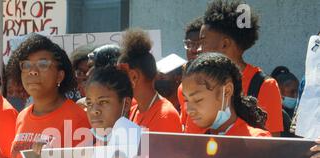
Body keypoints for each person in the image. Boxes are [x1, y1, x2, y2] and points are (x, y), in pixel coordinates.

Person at [186, 0, 283, 136]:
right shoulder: (193, 84)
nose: (198, 49)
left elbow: (270, 148)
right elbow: (191, 140)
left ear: (225, 44)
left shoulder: (264, 85)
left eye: (203, 42)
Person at [182, 52, 269, 137]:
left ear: (227, 91)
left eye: (198, 100)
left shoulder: (256, 140)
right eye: (186, 100)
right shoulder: (195, 139)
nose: (189, 110)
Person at [118, 29, 182, 133]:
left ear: (134, 77)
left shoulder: (166, 115)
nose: (118, 81)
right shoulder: (133, 111)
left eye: (121, 74)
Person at [85, 66, 134, 145]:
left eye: (103, 102)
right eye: (89, 103)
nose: (94, 111)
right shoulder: (88, 149)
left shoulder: (142, 145)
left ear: (126, 105)